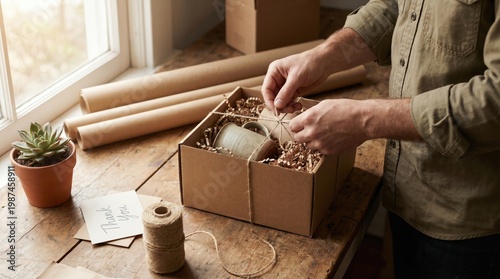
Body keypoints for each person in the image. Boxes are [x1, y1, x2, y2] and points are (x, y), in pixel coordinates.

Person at [261, 1, 500, 278]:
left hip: (471, 220)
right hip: (409, 183)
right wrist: (324, 56)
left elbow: (494, 101)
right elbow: (395, 8)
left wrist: (364, 120)